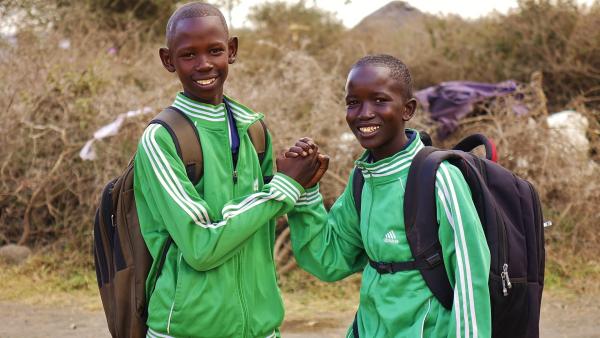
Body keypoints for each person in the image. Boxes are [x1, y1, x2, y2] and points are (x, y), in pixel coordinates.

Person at [133, 3, 325, 337]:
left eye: (215, 50)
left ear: (232, 51)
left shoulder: (255, 131)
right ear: (168, 60)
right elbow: (200, 246)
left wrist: (304, 183)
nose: (204, 64)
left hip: (261, 328)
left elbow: (266, 219)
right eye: (188, 54)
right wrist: (283, 187)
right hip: (186, 330)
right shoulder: (161, 139)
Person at [285, 54, 491, 337]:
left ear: (407, 109)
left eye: (380, 100)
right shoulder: (363, 178)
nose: (364, 113)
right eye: (353, 102)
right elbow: (329, 260)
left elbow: (471, 279)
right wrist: (305, 192)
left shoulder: (439, 178)